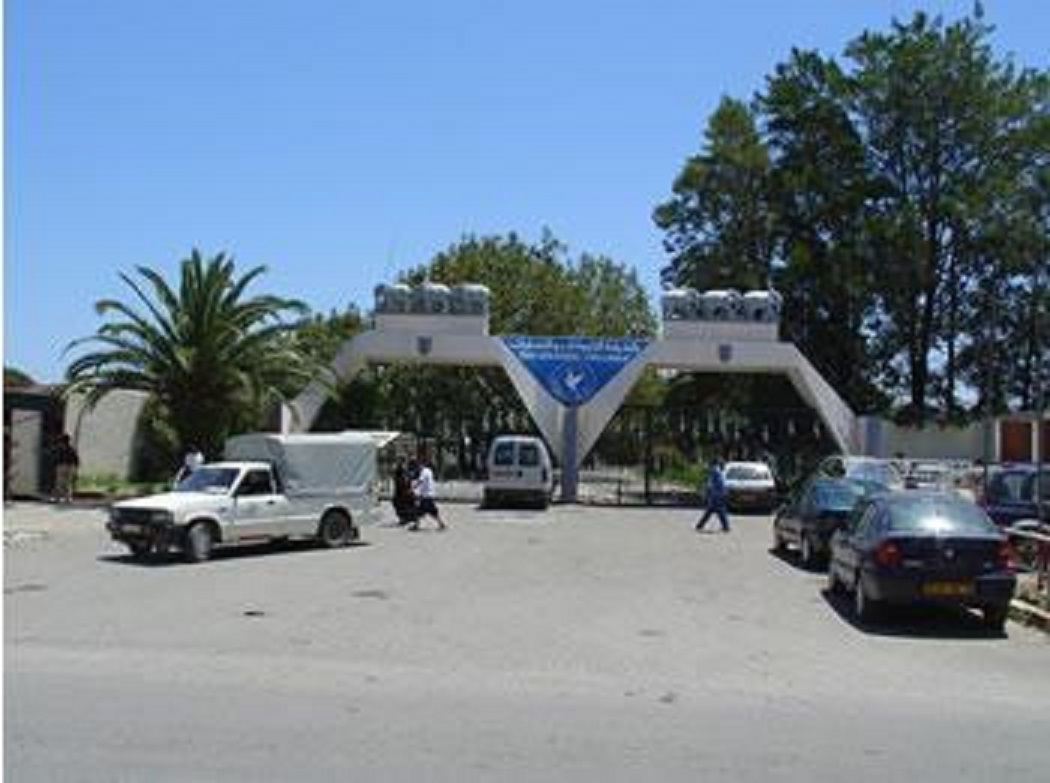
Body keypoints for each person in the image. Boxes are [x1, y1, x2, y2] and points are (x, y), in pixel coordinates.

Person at [408, 457, 447, 532]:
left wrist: (412, 489)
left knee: (422, 511)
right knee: (430, 511)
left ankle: (417, 525)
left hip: (427, 495)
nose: (417, 469)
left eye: (417, 467)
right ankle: (440, 524)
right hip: (428, 494)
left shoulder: (424, 472)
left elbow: (420, 481)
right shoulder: (429, 470)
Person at [696, 457, 730, 533]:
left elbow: (710, 483)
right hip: (719, 493)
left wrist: (707, 492)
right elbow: (716, 483)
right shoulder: (718, 471)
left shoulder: (715, 471)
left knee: (715, 510)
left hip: (717, 494)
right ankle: (725, 526)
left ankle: (700, 525)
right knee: (717, 510)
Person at [52, 433, 80, 504]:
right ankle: (66, 498)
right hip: (69, 466)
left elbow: (56, 458)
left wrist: (55, 465)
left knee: (60, 483)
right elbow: (76, 459)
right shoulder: (71, 449)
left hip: (62, 466)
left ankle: (59, 498)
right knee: (66, 483)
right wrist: (76, 467)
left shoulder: (60, 449)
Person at [392, 458, 418, 525]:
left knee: (403, 505)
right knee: (400, 504)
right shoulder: (402, 472)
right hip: (401, 492)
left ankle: (406, 518)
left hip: (403, 492)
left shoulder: (404, 472)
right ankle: (406, 518)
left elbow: (407, 481)